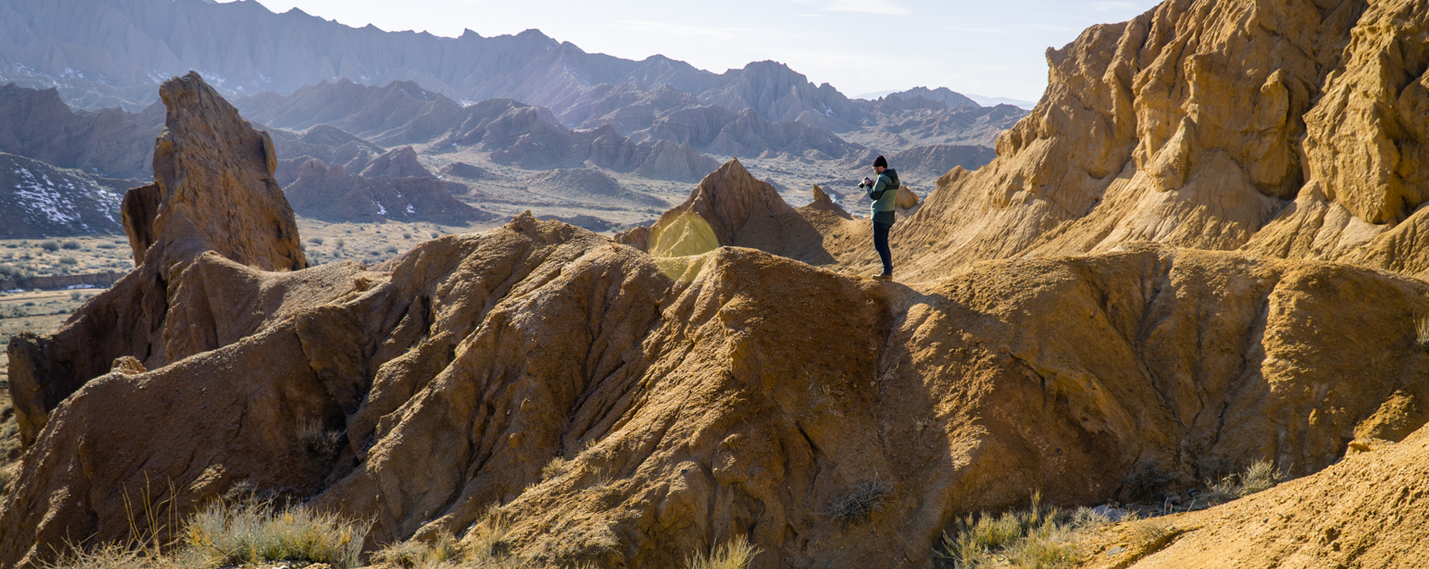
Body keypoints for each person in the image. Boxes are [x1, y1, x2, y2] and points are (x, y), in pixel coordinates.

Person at [858, 154, 900, 280]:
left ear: (880, 167)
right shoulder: (893, 178)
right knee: (884, 244)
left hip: (880, 215)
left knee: (879, 245)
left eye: (875, 168)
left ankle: (887, 272)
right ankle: (888, 271)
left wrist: (868, 185)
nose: (874, 171)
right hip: (889, 214)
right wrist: (875, 183)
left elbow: (875, 195)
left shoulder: (882, 178)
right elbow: (885, 191)